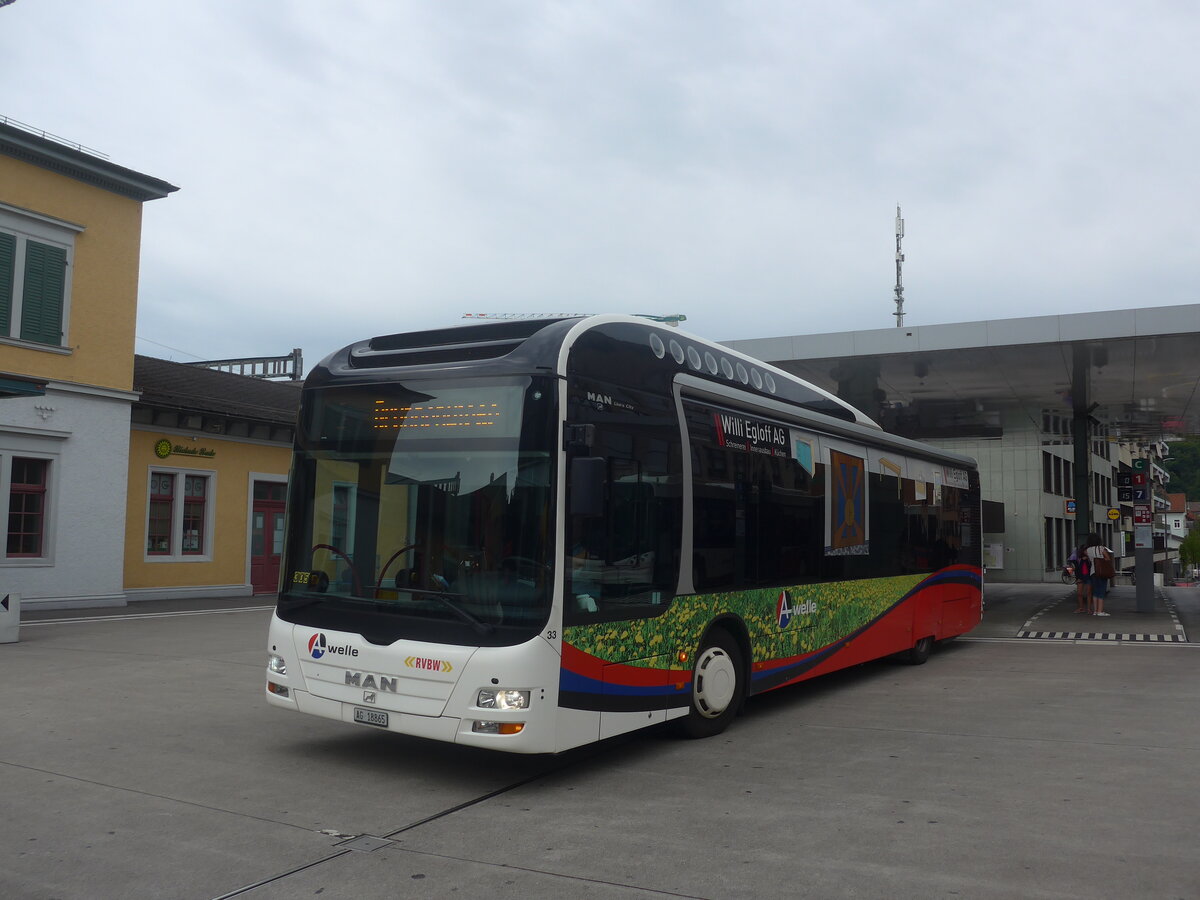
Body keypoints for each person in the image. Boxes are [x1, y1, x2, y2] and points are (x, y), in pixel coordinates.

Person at [1080, 532, 1115, 617]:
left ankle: (1095, 611)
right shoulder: (1102, 548)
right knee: (1101, 591)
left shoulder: (1087, 550)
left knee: (1095, 592)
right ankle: (1100, 611)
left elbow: (1088, 559)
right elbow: (1108, 559)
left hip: (1093, 572)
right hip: (1101, 572)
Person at [1068, 547, 1089, 613]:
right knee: (1080, 593)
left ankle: (1088, 609)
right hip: (1081, 577)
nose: (1087, 552)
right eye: (1086, 550)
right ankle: (1081, 608)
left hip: (1087, 577)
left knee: (1088, 593)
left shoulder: (1088, 559)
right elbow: (1077, 569)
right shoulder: (1078, 559)